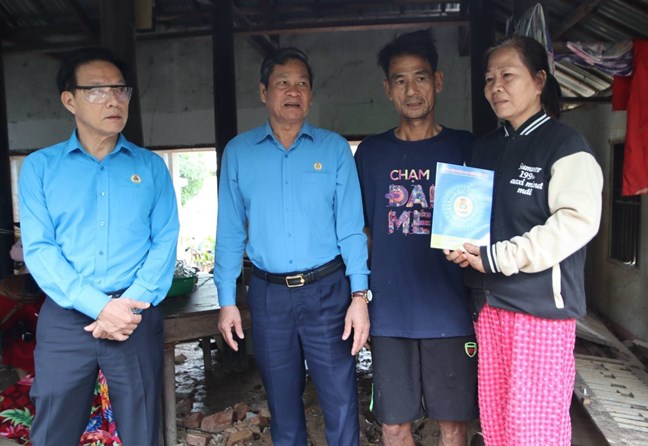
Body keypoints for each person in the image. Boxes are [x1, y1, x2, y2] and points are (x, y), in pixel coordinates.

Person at [445, 36, 603, 446]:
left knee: (535, 432)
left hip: (538, 310)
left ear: (538, 80)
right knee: (498, 425)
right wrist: (461, 246)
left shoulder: (565, 145)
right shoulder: (486, 148)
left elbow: (577, 222)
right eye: (489, 79)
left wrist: (500, 256)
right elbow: (472, 219)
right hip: (488, 306)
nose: (495, 87)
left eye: (507, 76)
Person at [19, 47, 179, 445]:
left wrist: (128, 306)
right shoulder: (41, 167)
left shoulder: (150, 167)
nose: (113, 100)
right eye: (97, 91)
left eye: (121, 90)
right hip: (67, 316)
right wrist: (99, 306)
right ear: (69, 100)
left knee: (143, 429)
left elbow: (165, 241)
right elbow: (40, 249)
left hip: (134, 316)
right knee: (53, 428)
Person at [214, 47, 370, 446]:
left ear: (311, 95)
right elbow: (229, 231)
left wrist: (359, 295)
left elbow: (351, 229)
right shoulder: (239, 153)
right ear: (263, 92)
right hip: (269, 295)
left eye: (302, 83)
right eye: (283, 82)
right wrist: (227, 300)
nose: (293, 91)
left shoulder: (333, 149)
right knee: (282, 404)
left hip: (328, 291)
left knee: (340, 401)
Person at [354, 29, 478, 446]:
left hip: (451, 312)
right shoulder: (371, 154)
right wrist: (359, 298)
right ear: (388, 89)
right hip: (390, 315)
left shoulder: (466, 148)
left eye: (421, 77)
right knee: (393, 426)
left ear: (438, 81)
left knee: (454, 425)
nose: (412, 90)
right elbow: (362, 233)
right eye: (401, 80)